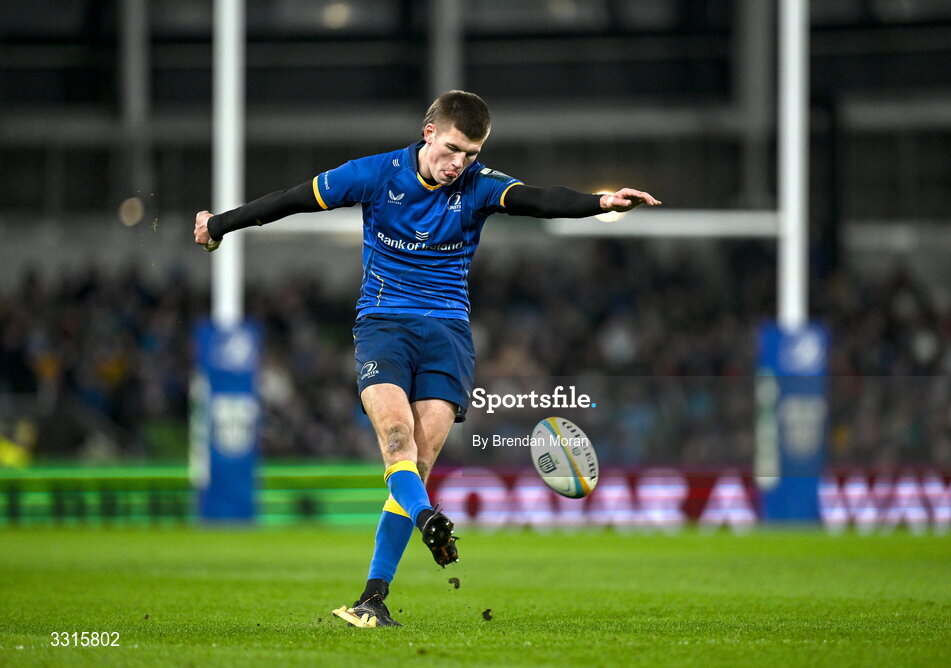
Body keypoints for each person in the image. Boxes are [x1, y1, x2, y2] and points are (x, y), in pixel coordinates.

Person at [193, 90, 659, 628]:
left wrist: (599, 202)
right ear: (429, 133)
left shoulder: (479, 186)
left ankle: (373, 597)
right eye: (454, 149)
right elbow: (292, 198)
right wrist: (221, 225)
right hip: (383, 327)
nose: (459, 163)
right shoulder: (375, 175)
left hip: (448, 336)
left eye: (472, 154)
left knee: (419, 460)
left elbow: (537, 199)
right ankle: (428, 520)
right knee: (397, 439)